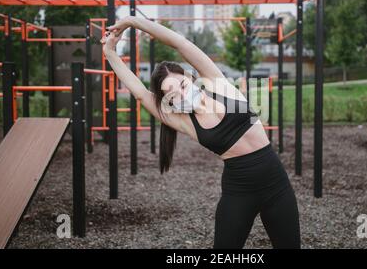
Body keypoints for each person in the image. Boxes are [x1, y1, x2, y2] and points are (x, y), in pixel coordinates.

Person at [101, 16, 300, 249]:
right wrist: (110, 53)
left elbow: (179, 44)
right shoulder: (184, 121)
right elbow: (142, 94)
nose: (181, 95)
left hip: (276, 184)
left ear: (190, 78)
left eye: (182, 86)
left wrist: (133, 21)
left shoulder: (218, 83)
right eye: (171, 95)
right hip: (238, 191)